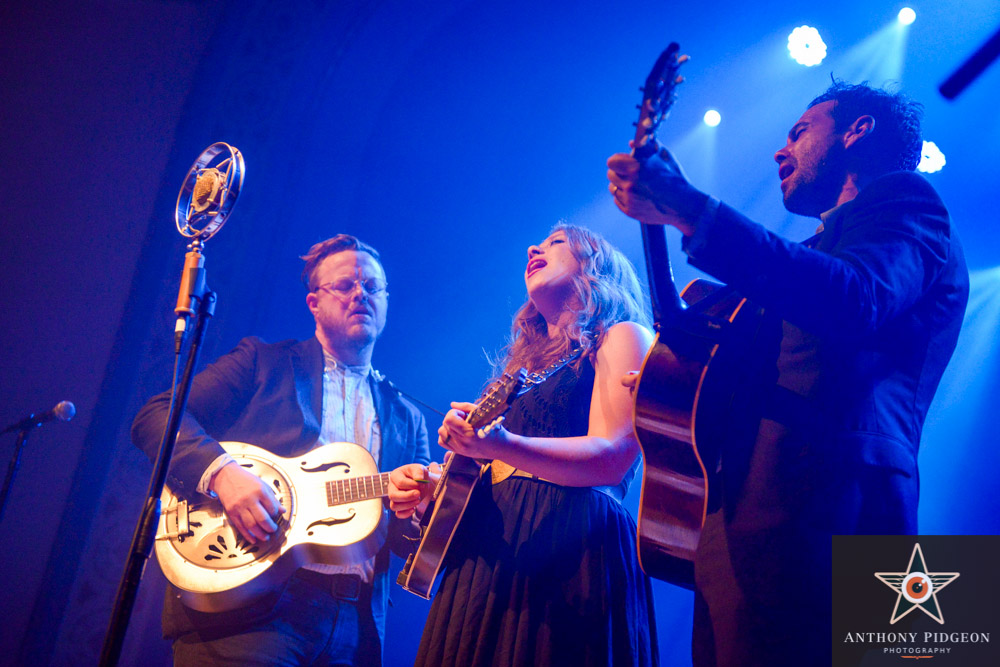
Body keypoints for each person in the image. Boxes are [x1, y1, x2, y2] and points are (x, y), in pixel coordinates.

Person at [607, 81, 969, 665]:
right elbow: (688, 339)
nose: (780, 150)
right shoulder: (812, 253)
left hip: (841, 513)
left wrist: (692, 208)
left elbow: (855, 298)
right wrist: (659, 222)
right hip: (741, 523)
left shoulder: (910, 202)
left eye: (799, 131)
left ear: (858, 131)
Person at [132, 234, 430, 666]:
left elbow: (407, 543)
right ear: (313, 302)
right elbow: (156, 415)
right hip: (248, 614)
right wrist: (223, 473)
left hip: (356, 626)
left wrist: (417, 509)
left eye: (372, 287)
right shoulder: (262, 362)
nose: (360, 294)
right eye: (345, 285)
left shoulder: (409, 418)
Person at [389, 224, 659, 666]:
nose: (535, 247)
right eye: (538, 242)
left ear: (596, 265)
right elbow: (497, 480)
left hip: (569, 550)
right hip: (488, 563)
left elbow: (611, 459)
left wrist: (501, 443)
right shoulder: (518, 374)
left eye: (557, 243)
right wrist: (430, 495)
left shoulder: (623, 335)